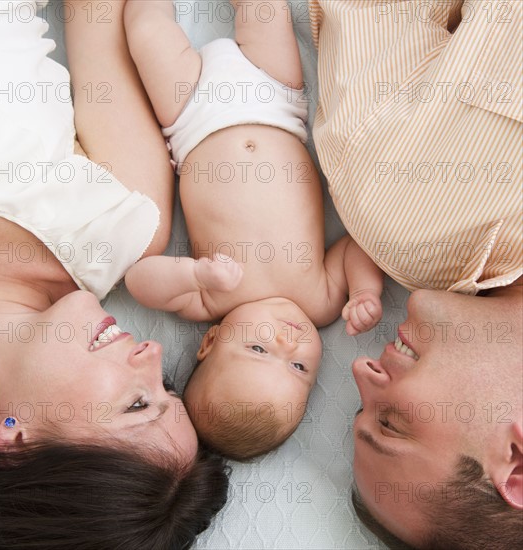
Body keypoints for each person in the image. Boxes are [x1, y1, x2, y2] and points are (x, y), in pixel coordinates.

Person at [0, 1, 228, 548]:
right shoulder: (115, 223)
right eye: (163, 387)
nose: (155, 354)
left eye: (136, 404)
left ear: (17, 440)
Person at [123, 0, 384, 461]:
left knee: (145, 29)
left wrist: (195, 275)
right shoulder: (321, 301)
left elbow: (138, 280)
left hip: (191, 118)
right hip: (275, 99)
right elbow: (352, 248)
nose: (288, 342)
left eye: (260, 348)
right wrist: (366, 291)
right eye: (299, 366)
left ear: (211, 341)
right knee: (265, 9)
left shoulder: (212, 302)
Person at [308, 0, 522, 547]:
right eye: (391, 424)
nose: (360, 371)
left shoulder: (399, 206)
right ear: (516, 465)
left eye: (360, 408)